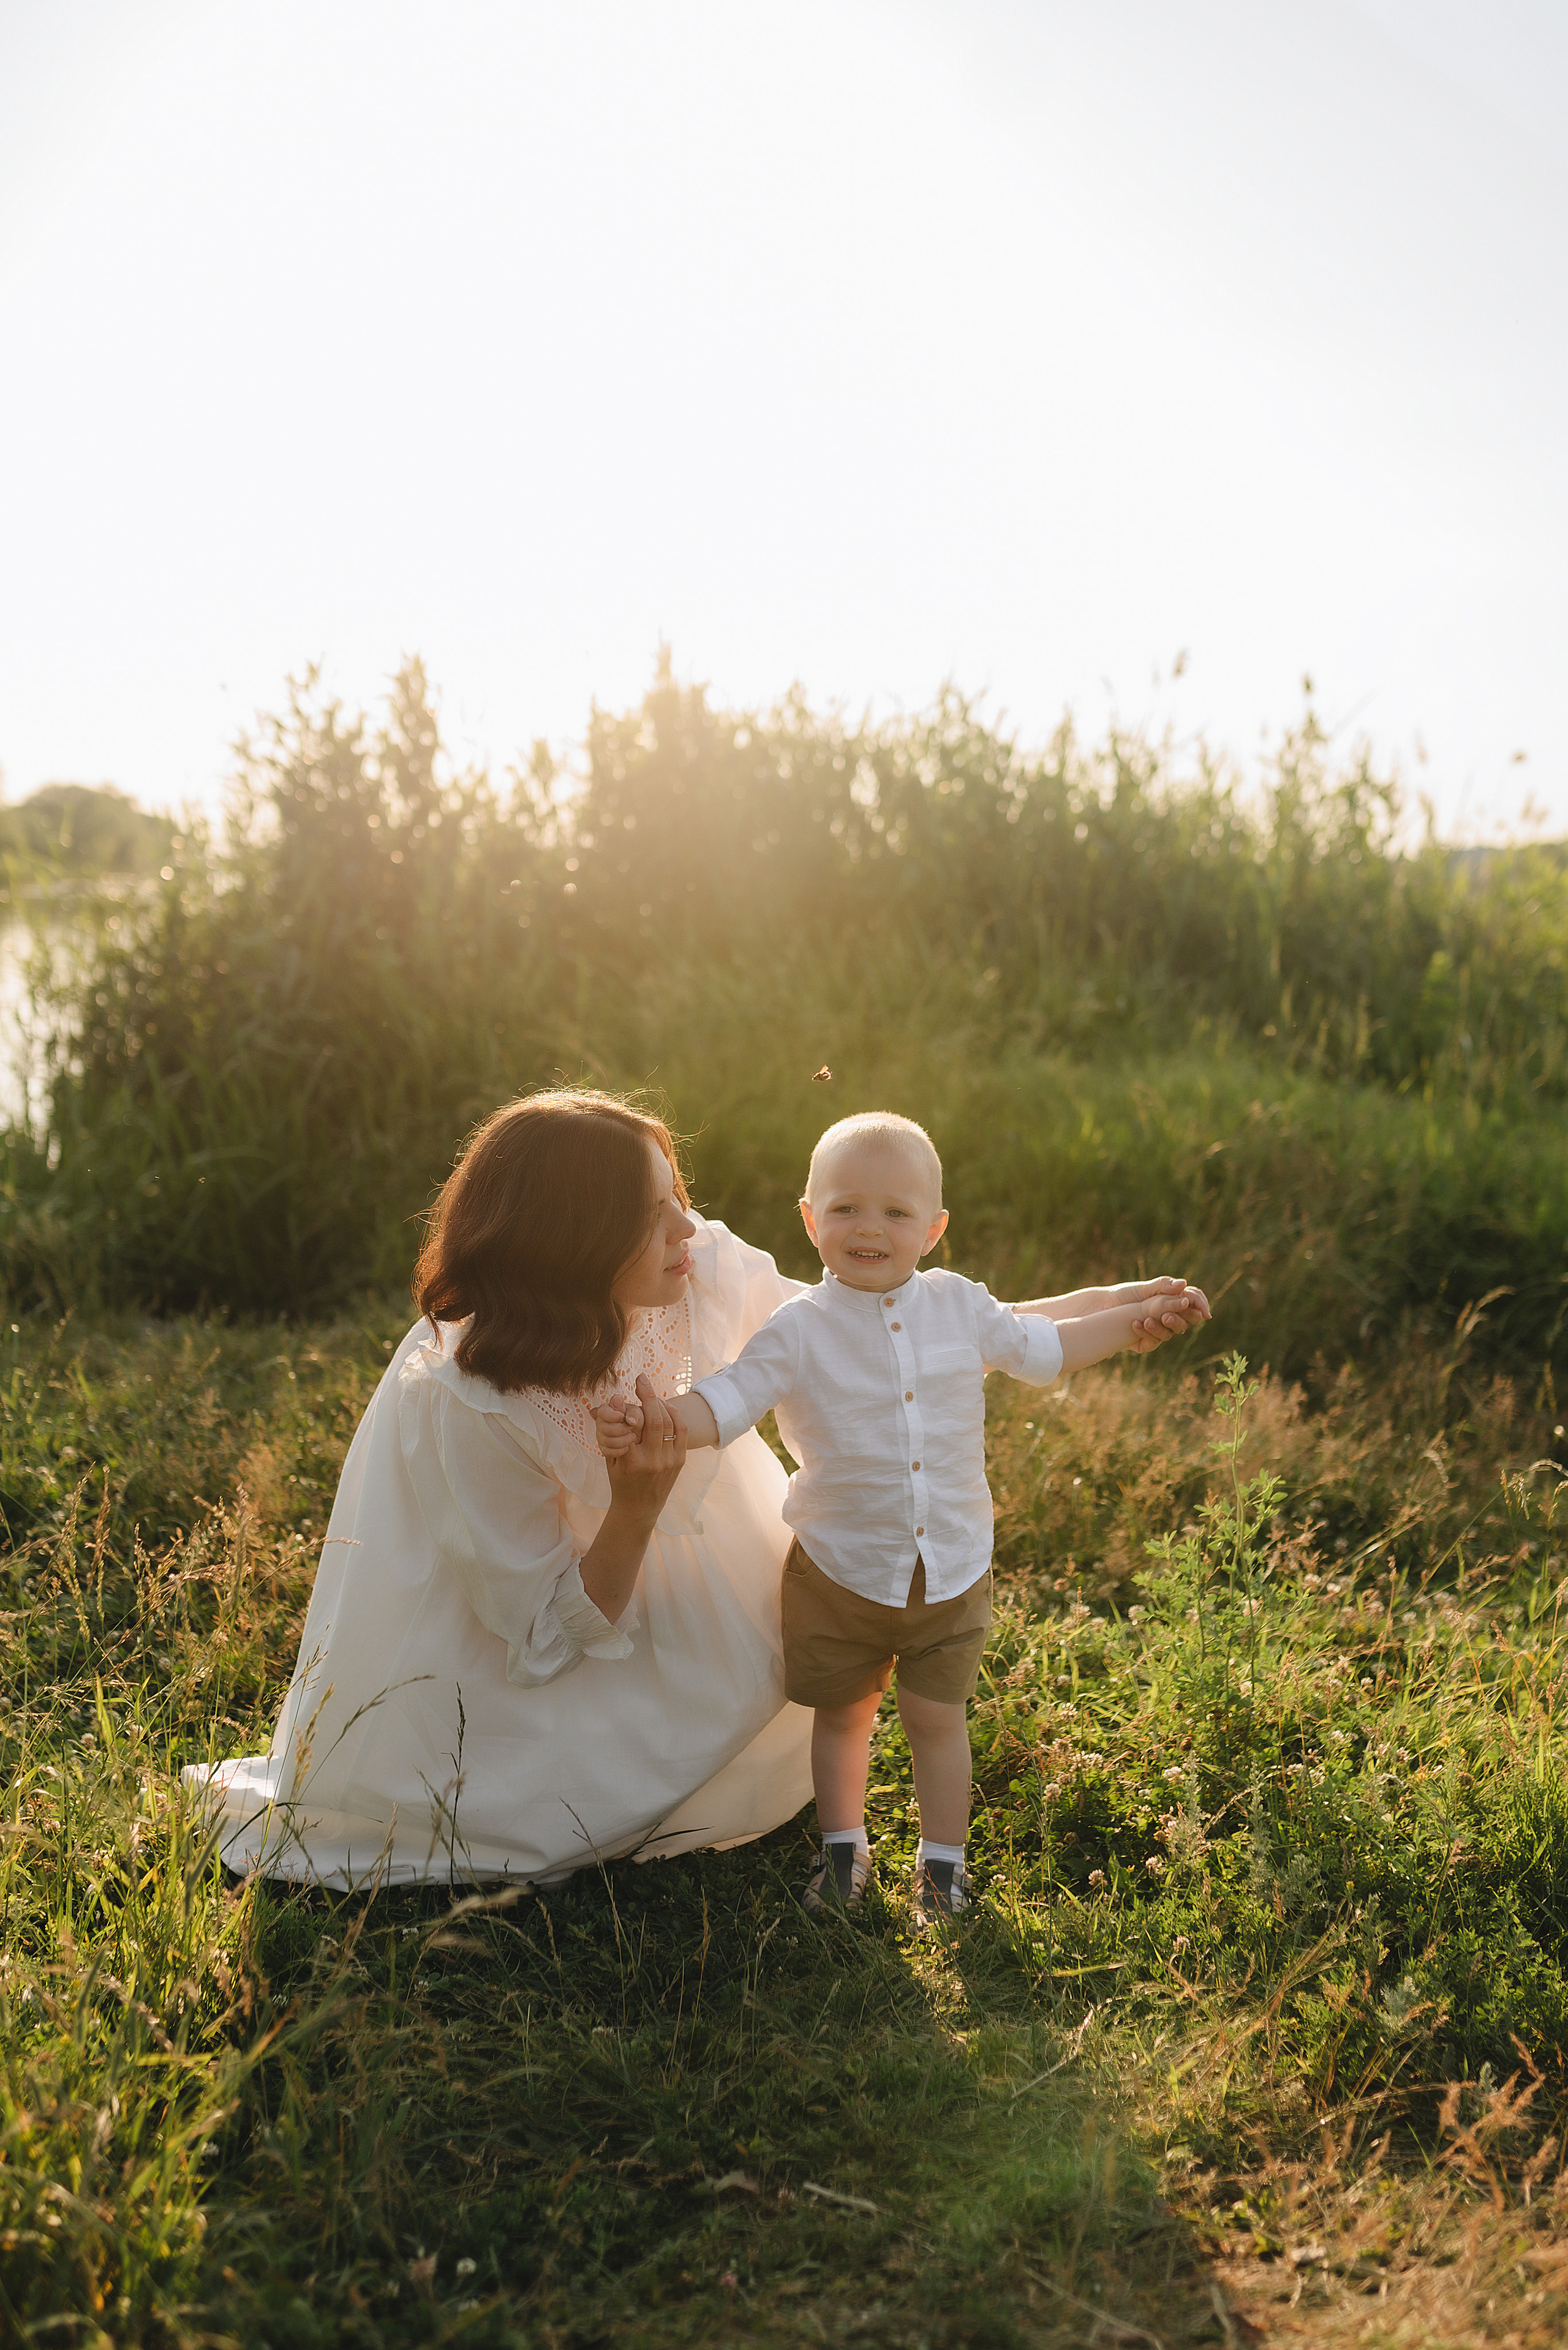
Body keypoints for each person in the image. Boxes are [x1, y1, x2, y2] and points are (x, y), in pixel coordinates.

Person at [183, 1090, 815, 1887]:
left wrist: (997, 1324)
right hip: (533, 1628)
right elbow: (545, 1633)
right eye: (655, 1213)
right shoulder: (469, 1393)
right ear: (574, 1241)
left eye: (677, 1198)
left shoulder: (696, 1266)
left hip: (702, 1579)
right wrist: (635, 1509)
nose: (688, 1227)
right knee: (528, 1809)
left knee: (787, 1689)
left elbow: (834, 1327)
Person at [595, 1111, 1210, 1927]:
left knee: (934, 1717)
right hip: (839, 1567)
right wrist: (667, 1419)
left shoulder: (959, 1305)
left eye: (894, 1211)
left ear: (933, 1229)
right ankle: (844, 1848)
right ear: (811, 1220)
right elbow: (730, 1397)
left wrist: (1132, 1317)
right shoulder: (797, 1329)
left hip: (948, 1566)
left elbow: (1047, 1346)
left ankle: (942, 1869)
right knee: (843, 1715)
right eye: (845, 1208)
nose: (869, 1228)